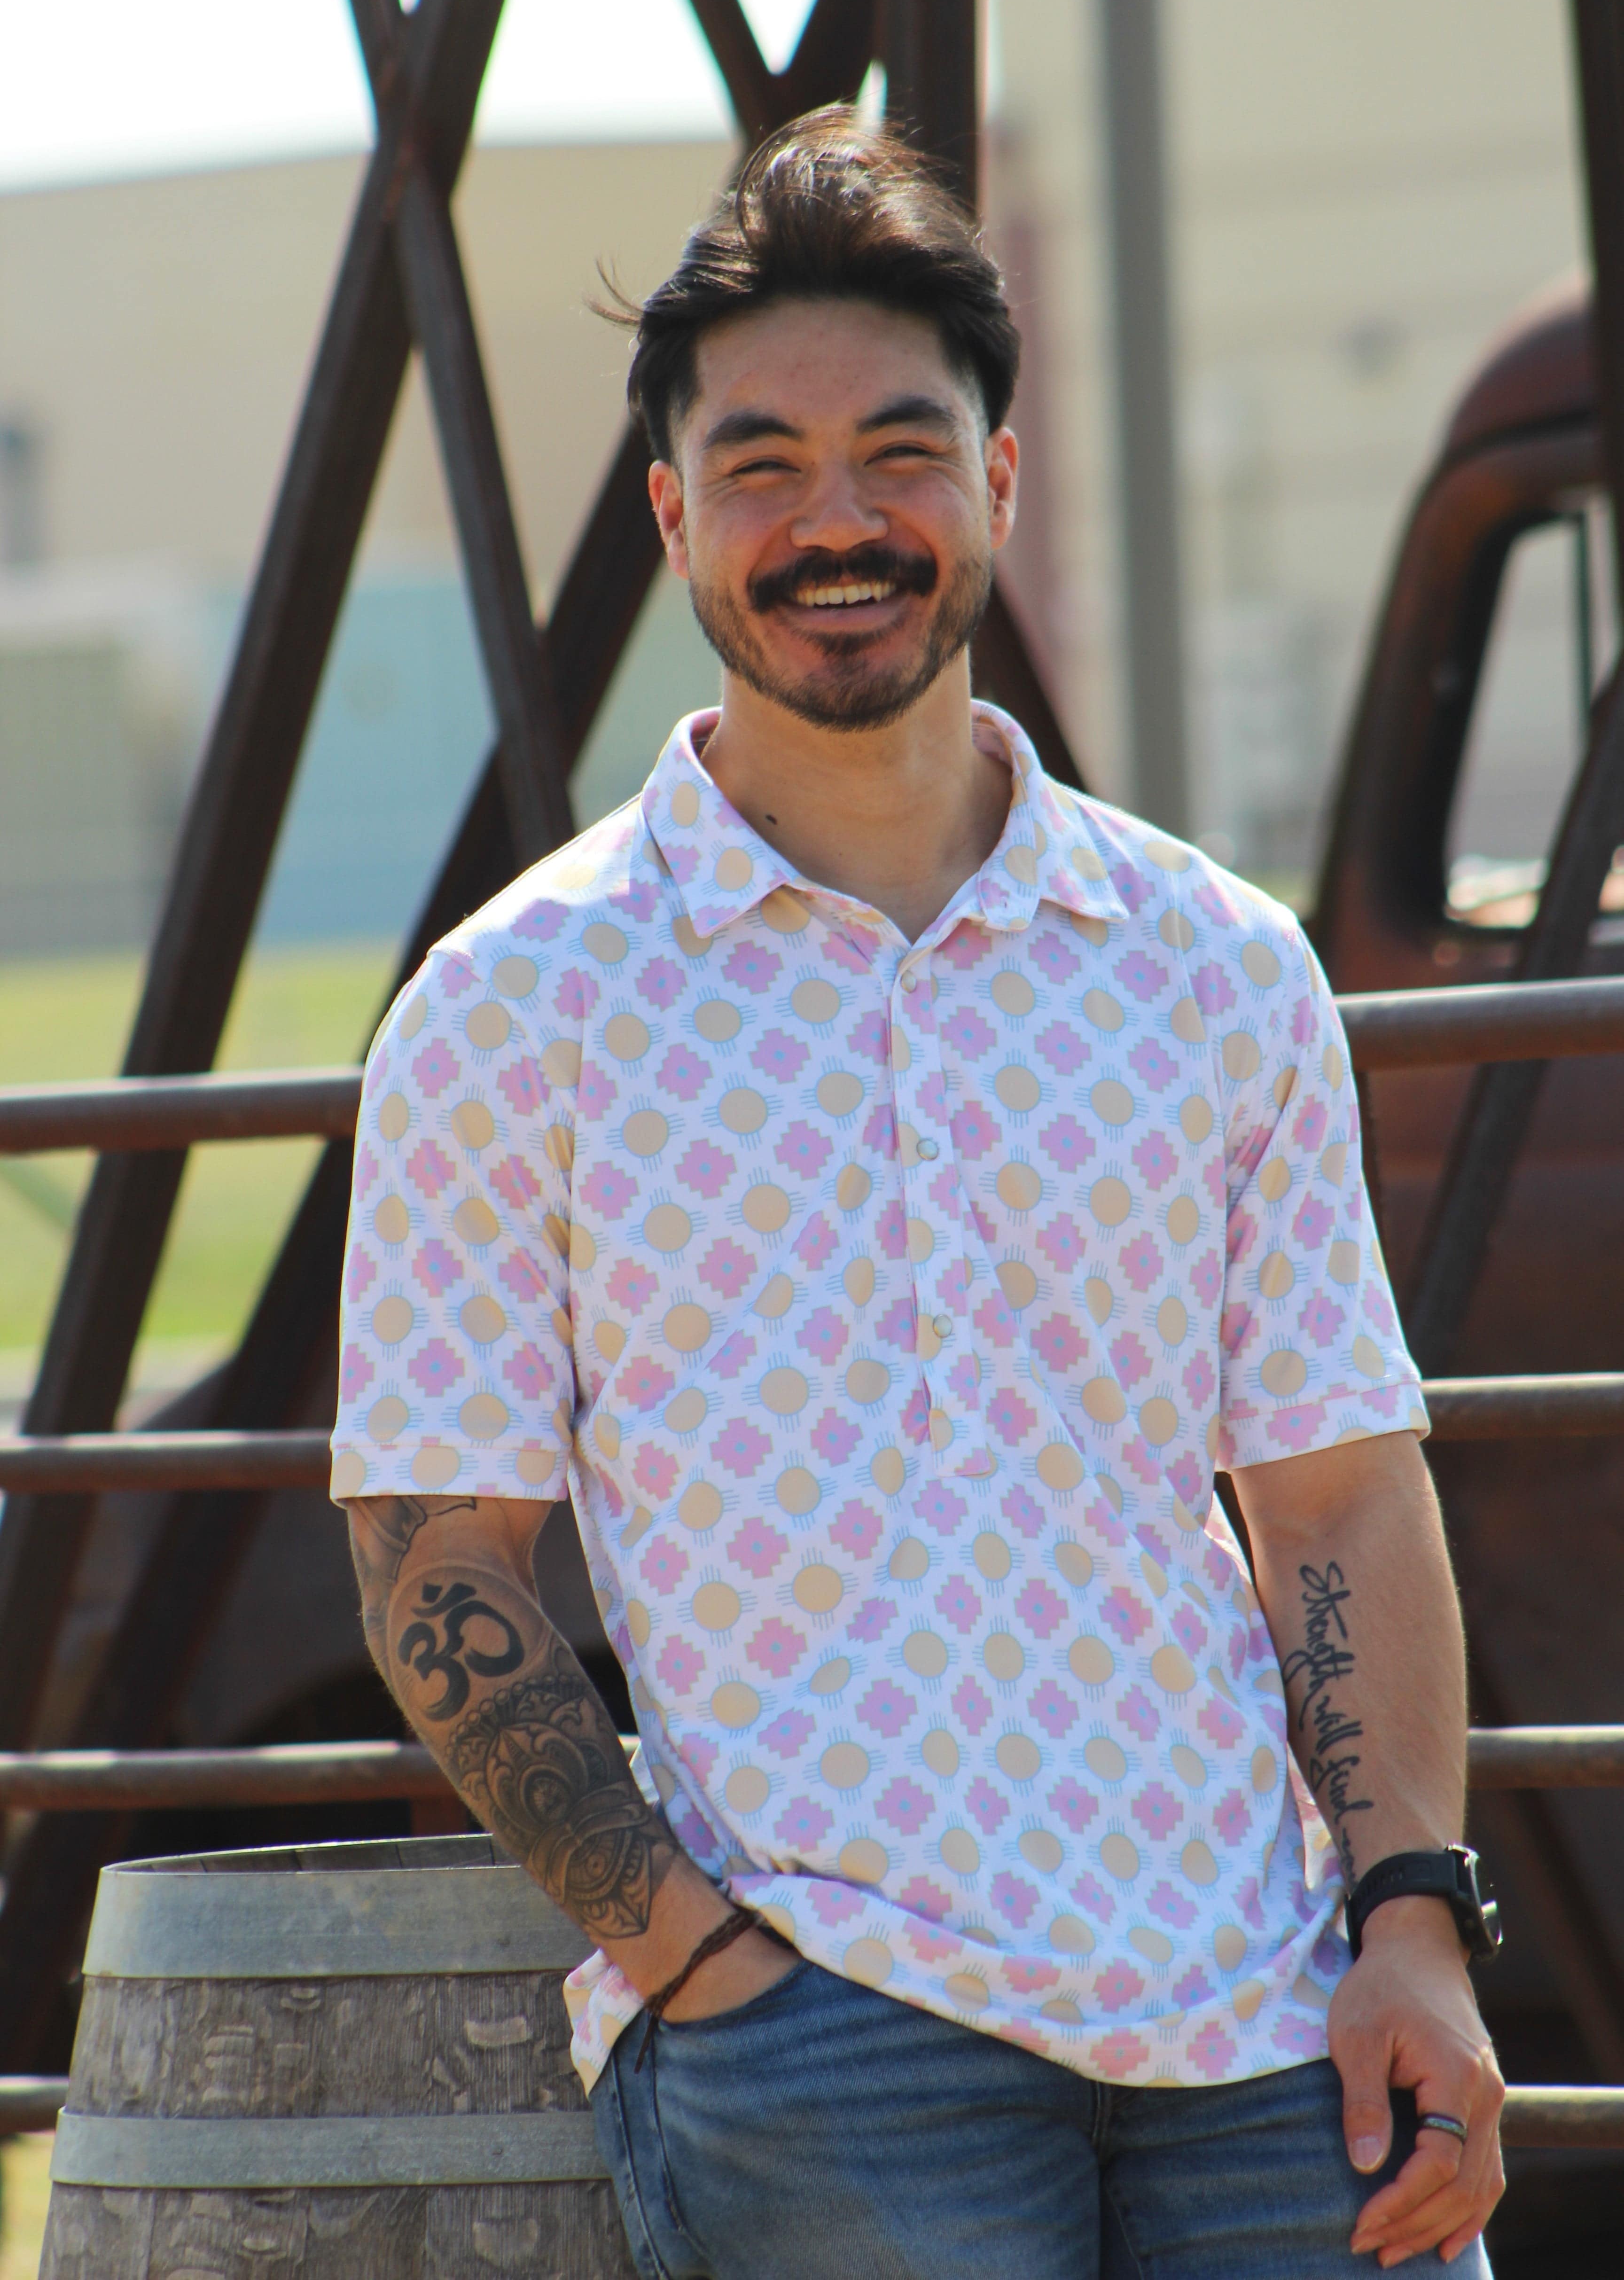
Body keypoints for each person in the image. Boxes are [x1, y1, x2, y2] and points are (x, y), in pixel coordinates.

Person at [332, 110, 1504, 2277]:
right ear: (678, 521)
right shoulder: (515, 1014)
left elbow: (1342, 1497)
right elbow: (433, 1551)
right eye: (761, 467)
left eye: (899, 449)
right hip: (831, 2046)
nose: (836, 519)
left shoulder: (1218, 967)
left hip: (1269, 2018)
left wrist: (1411, 1930)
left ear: (1000, 487)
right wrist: (692, 1962)